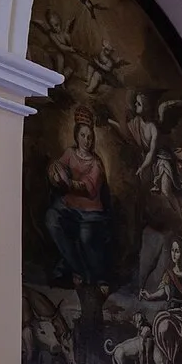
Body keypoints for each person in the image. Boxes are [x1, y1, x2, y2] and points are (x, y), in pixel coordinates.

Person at [44, 108, 115, 286]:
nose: (87, 140)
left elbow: (89, 189)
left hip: (91, 213)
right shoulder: (70, 153)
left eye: (90, 137)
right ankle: (78, 269)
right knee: (51, 218)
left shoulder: (96, 163)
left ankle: (93, 277)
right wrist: (53, 173)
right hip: (68, 207)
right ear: (77, 135)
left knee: (86, 237)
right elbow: (57, 167)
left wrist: (68, 182)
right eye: (83, 135)